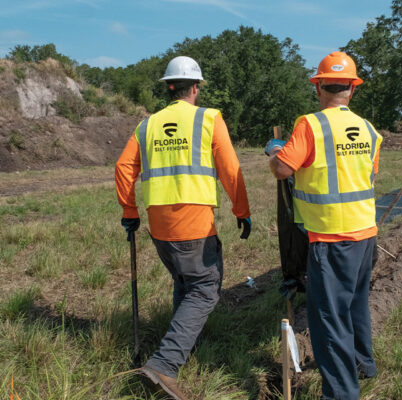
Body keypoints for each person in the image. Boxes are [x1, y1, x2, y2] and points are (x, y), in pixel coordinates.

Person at [115, 56, 251, 400]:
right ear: (195, 87)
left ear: (169, 87)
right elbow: (231, 170)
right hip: (194, 226)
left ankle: (183, 341)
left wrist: (130, 210)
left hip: (160, 229)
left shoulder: (147, 124)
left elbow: (122, 167)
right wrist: (242, 210)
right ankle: (165, 363)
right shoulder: (209, 118)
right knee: (205, 286)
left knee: (185, 282)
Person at [265, 51, 382, 400]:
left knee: (329, 321)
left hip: (332, 239)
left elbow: (283, 169)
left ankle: (342, 394)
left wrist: (275, 150)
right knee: (356, 305)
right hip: (365, 236)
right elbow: (367, 173)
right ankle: (365, 365)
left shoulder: (311, 125)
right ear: (352, 89)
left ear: (318, 88)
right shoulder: (368, 129)